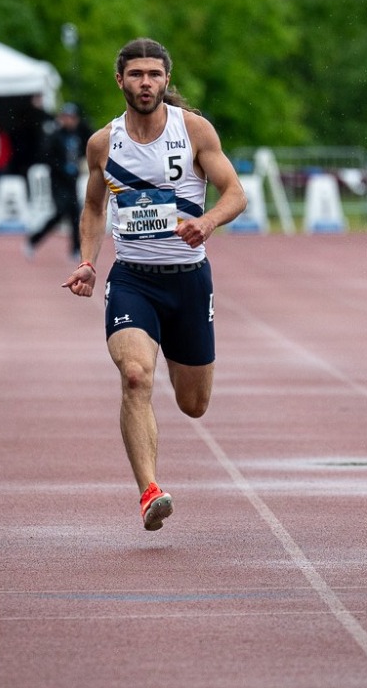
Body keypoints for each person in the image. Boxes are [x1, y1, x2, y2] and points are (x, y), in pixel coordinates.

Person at [64, 38, 247, 531]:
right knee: (135, 377)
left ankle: (179, 374)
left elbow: (235, 192)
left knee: (193, 404)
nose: (146, 83)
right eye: (136, 74)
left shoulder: (192, 131)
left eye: (154, 75)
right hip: (133, 281)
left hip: (188, 281)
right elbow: (94, 207)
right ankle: (149, 490)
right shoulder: (103, 143)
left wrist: (206, 223)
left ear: (167, 79)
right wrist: (87, 261)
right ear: (119, 80)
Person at [26, 102, 87, 260]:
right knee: (60, 212)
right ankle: (34, 240)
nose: (69, 120)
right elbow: (45, 155)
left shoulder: (79, 133)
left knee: (75, 214)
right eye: (66, 117)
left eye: (72, 117)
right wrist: (62, 168)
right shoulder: (55, 135)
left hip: (72, 180)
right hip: (58, 181)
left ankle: (75, 249)